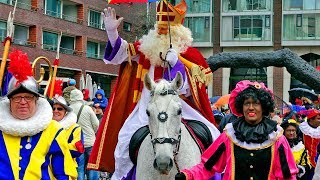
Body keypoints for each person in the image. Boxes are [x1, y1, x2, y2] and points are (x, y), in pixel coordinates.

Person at [88, 0, 220, 179]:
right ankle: (119, 176)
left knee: (214, 134)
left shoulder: (191, 55)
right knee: (123, 141)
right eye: (160, 26)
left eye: (167, 27)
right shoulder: (145, 47)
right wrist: (112, 32)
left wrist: (177, 64)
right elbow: (120, 55)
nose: (162, 30)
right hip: (146, 108)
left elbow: (193, 88)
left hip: (182, 109)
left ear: (178, 29)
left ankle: (217, 174)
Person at [175, 80, 298, 179]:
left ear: (263, 106)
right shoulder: (229, 135)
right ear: (241, 106)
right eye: (246, 103)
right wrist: (188, 175)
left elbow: (287, 175)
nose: (250, 108)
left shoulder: (277, 137)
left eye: (255, 103)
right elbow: (208, 166)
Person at [0, 49, 77, 179]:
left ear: (36, 100)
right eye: (17, 97)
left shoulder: (53, 130)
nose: (23, 102)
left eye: (28, 97)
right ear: (9, 101)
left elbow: (63, 173)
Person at [69, 88, 100, 180]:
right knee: (92, 167)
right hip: (90, 142)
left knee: (79, 168)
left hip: (77, 144)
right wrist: (92, 133)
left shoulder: (68, 110)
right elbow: (96, 124)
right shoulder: (87, 109)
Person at [52, 96, 84, 161]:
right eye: (53, 108)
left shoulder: (75, 128)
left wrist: (52, 148)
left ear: (65, 112)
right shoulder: (46, 126)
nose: (55, 111)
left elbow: (76, 149)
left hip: (67, 167)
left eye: (59, 109)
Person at [299, 109, 320, 177]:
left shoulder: (319, 130)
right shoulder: (301, 129)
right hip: (302, 160)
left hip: (316, 160)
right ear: (311, 119)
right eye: (318, 119)